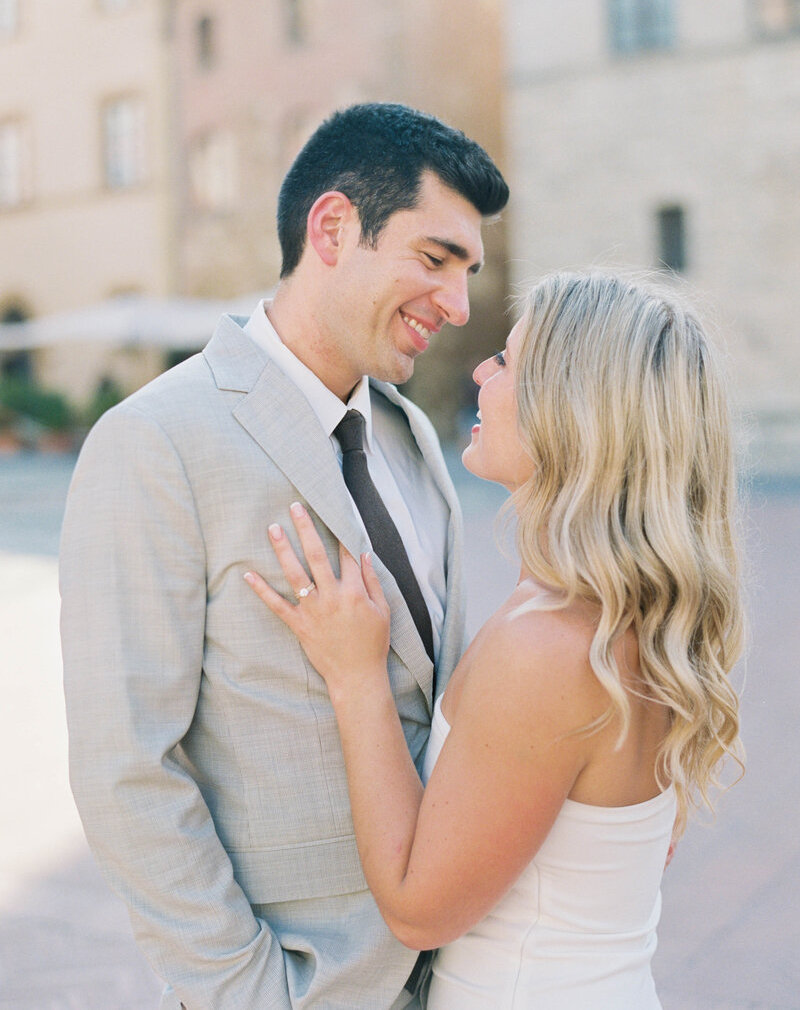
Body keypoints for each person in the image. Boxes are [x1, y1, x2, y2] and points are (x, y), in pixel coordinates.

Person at [60, 102, 508, 1009]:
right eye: (434, 260)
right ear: (333, 228)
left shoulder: (412, 434)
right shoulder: (153, 440)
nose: (458, 306)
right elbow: (126, 768)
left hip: (459, 978)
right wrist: (250, 991)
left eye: (469, 273)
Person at [246, 270, 745, 1009]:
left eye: (507, 361)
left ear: (573, 411)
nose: (481, 370)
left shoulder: (552, 645)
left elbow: (419, 910)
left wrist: (356, 676)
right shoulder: (630, 615)